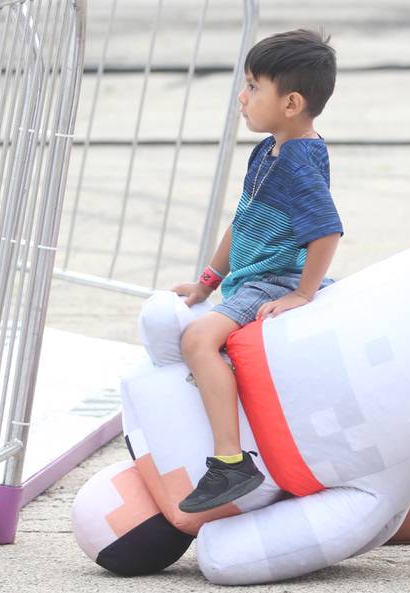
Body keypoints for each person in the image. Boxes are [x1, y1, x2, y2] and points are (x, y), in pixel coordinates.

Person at [173, 29, 343, 512]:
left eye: (252, 87)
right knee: (203, 336)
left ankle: (230, 463)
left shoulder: (297, 162)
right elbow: (244, 219)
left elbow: (327, 230)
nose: (241, 97)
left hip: (275, 281)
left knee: (196, 342)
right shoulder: (270, 149)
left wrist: (303, 295)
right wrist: (208, 281)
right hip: (252, 279)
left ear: (290, 102)